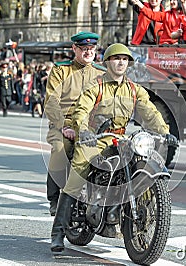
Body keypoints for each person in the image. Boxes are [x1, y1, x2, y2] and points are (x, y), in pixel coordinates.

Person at [49, 43, 178, 253]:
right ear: (107, 62)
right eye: (116, 58)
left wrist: (164, 132)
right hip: (94, 138)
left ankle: (120, 210)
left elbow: (150, 112)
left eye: (124, 59)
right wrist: (83, 131)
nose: (120, 62)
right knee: (76, 178)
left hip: (119, 138)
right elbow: (81, 110)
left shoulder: (134, 89)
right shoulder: (96, 86)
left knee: (139, 160)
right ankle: (58, 233)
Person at [44, 32, 105, 216]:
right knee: (60, 149)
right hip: (65, 124)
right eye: (84, 49)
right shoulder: (61, 70)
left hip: (93, 126)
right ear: (74, 49)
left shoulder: (102, 73)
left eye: (92, 49)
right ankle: (54, 199)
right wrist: (63, 125)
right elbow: (51, 101)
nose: (88, 52)